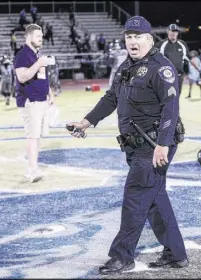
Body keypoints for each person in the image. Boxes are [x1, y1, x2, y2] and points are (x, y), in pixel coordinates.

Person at [67, 16, 188, 274]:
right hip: (136, 145)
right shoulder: (125, 67)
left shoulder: (160, 67)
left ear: (149, 39)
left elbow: (171, 107)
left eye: (138, 37)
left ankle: (122, 256)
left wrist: (163, 145)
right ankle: (176, 254)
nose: (132, 41)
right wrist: (86, 122)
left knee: (135, 197)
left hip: (153, 144)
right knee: (155, 198)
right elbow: (112, 98)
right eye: (128, 37)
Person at [13, 24, 54, 183]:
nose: (41, 38)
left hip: (41, 100)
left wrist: (50, 94)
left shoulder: (37, 54)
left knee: (37, 137)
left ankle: (32, 167)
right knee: (33, 136)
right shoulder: (22, 55)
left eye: (41, 36)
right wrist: (39, 63)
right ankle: (32, 170)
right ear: (29, 36)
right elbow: (22, 77)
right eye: (38, 36)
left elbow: (41, 77)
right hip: (30, 101)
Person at [156, 24, 201, 96]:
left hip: (179, 75)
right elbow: (153, 59)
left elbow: (190, 59)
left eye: (176, 31)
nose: (174, 33)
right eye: (172, 31)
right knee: (166, 96)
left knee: (177, 95)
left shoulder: (182, 44)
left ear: (178, 33)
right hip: (165, 76)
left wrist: (199, 70)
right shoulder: (161, 44)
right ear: (168, 32)